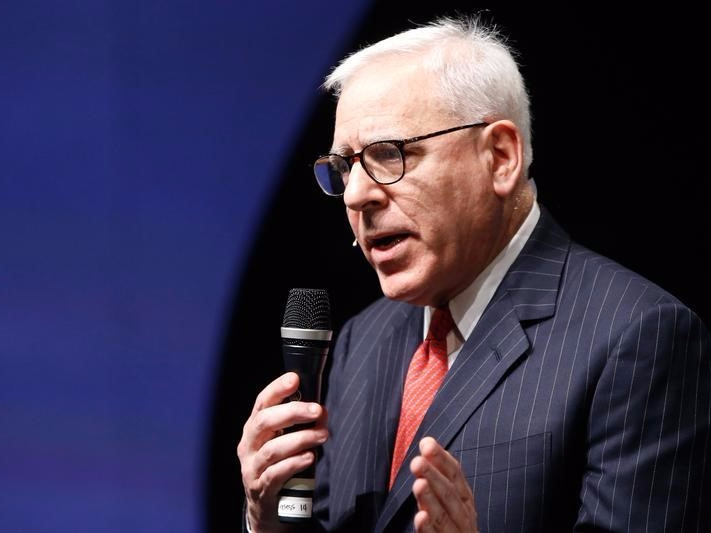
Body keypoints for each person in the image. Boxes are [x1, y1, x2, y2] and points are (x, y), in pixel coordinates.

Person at [237, 16, 711, 532]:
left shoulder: (638, 337)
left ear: (500, 157)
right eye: (345, 167)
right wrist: (268, 521)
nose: (355, 195)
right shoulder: (362, 339)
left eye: (389, 154)